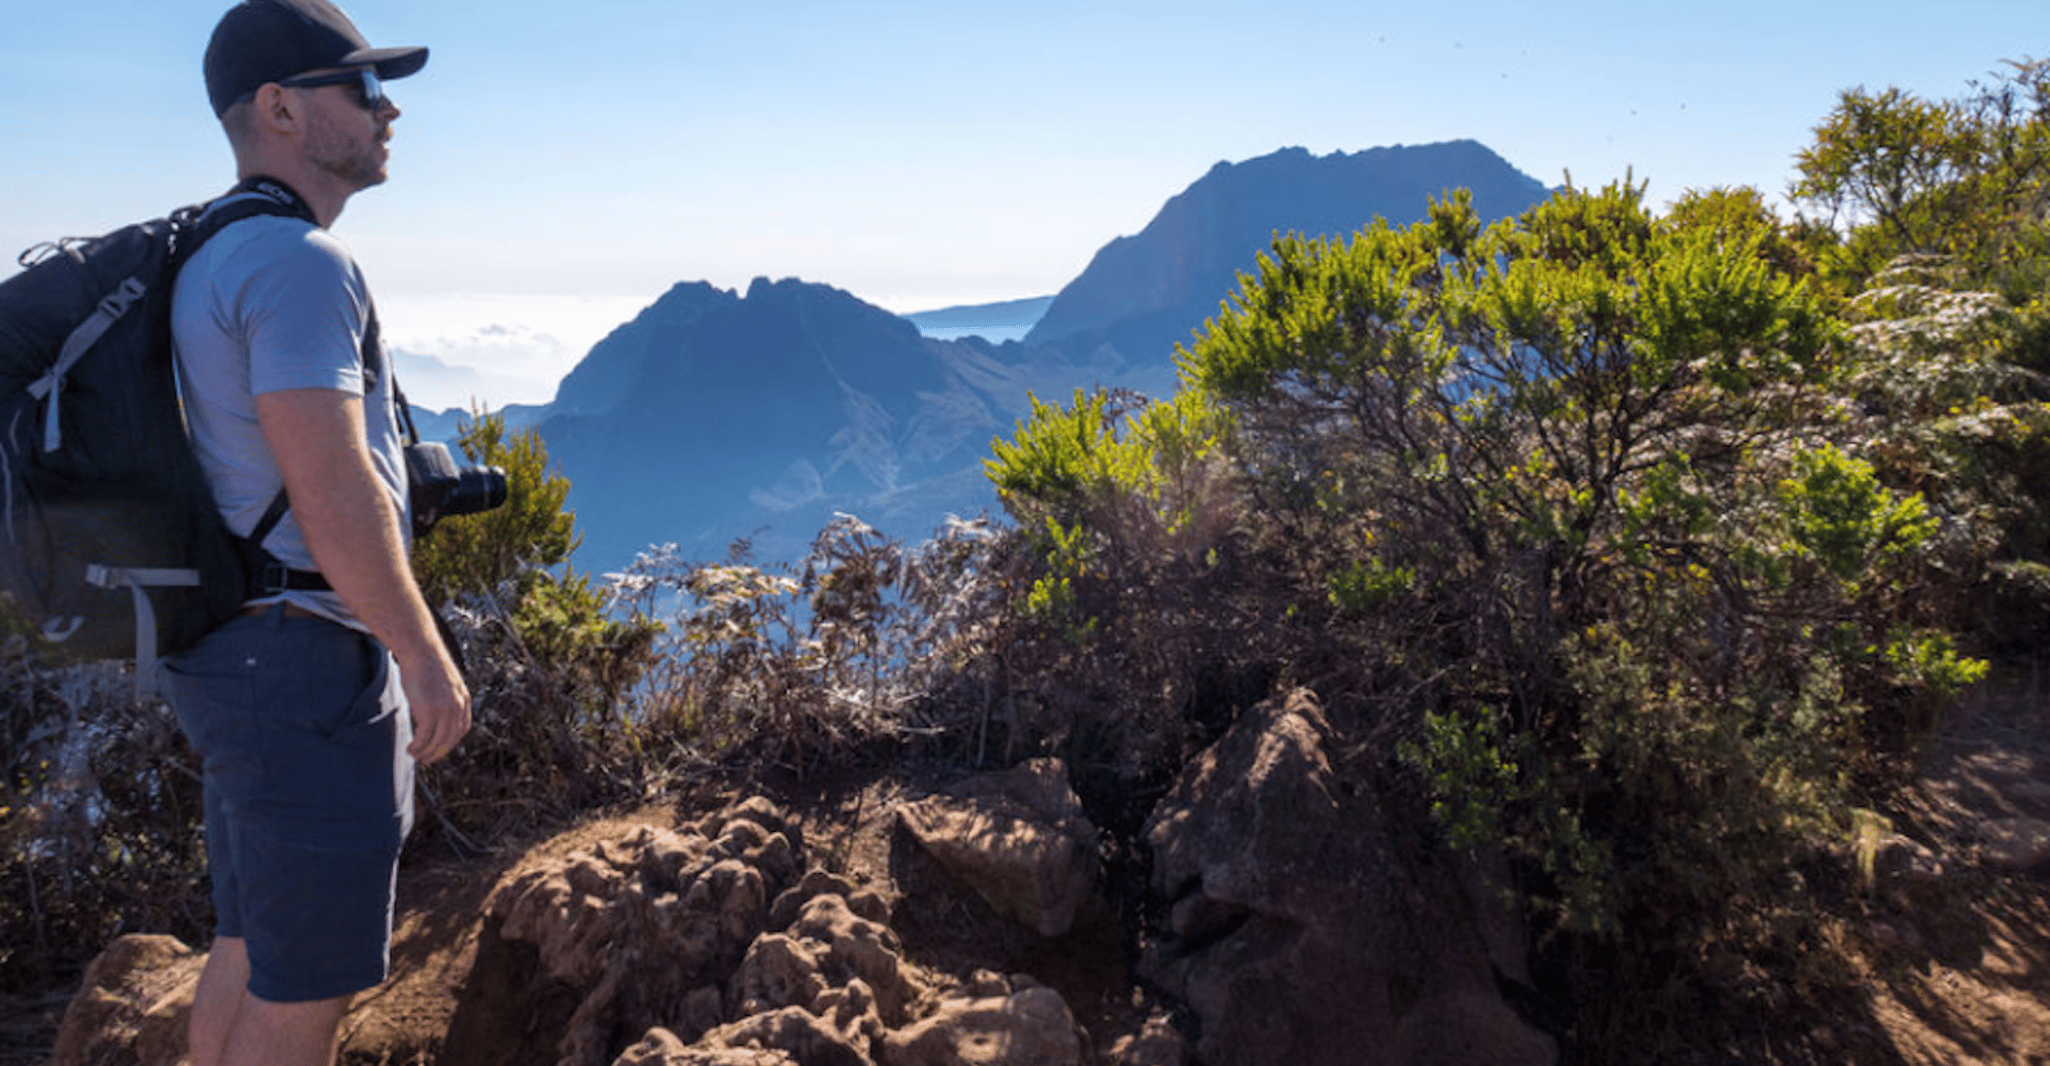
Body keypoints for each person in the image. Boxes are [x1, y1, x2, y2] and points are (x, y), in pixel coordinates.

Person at [163, 3, 471, 1065]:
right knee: (310, 988)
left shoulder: (214, 250)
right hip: (298, 658)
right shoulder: (297, 262)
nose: (388, 111)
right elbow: (331, 485)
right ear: (281, 108)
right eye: (362, 87)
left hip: (233, 649)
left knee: (253, 941)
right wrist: (422, 654)